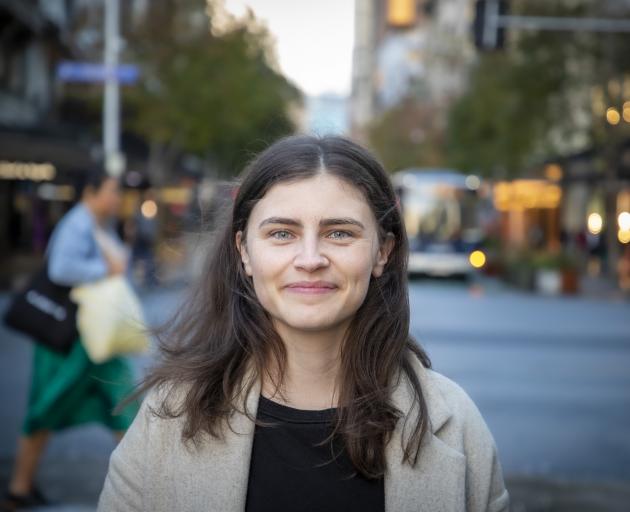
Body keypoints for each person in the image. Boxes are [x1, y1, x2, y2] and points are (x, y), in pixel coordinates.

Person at [98, 136, 509, 512]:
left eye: (339, 234)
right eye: (281, 233)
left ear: (383, 251)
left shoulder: (456, 426)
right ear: (244, 252)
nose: (310, 259)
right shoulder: (167, 419)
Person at [2, 168, 139, 510]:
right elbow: (61, 268)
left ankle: (144, 486)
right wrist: (104, 270)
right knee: (51, 404)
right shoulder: (79, 224)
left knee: (122, 402)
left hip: (92, 336)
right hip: (71, 339)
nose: (116, 197)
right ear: (89, 193)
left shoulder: (98, 224)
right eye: (110, 190)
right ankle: (18, 488)